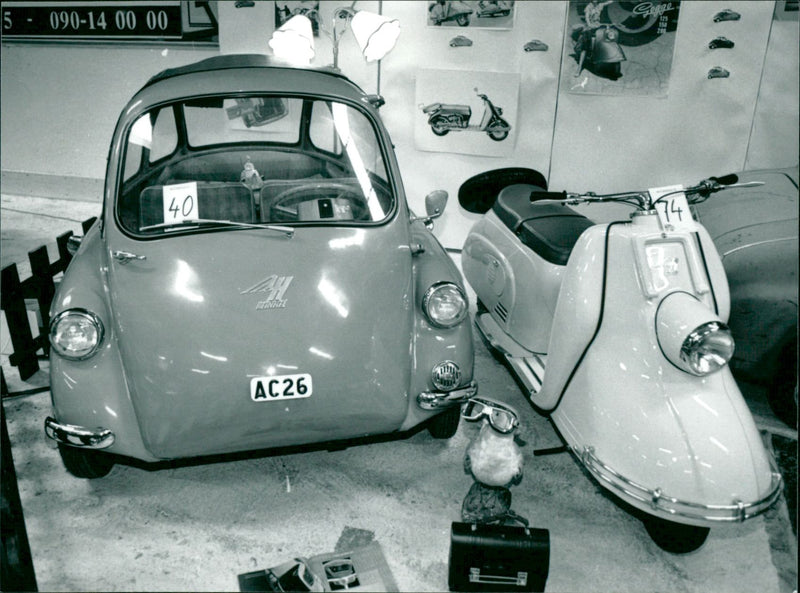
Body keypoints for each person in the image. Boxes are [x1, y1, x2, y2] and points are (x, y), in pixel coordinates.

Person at [573, 0, 614, 75]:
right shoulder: (588, 7)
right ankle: (579, 68)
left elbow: (609, 2)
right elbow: (587, 18)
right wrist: (590, 25)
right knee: (584, 48)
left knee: (604, 41)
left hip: (597, 27)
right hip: (589, 28)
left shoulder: (600, 5)